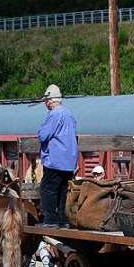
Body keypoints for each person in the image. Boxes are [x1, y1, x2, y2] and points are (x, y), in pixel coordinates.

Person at [37, 84, 79, 227]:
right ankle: (63, 220)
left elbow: (43, 135)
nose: (45, 103)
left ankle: (50, 220)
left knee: (47, 189)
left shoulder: (55, 114)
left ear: (50, 100)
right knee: (63, 190)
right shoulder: (69, 114)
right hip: (69, 161)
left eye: (46, 101)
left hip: (55, 159)